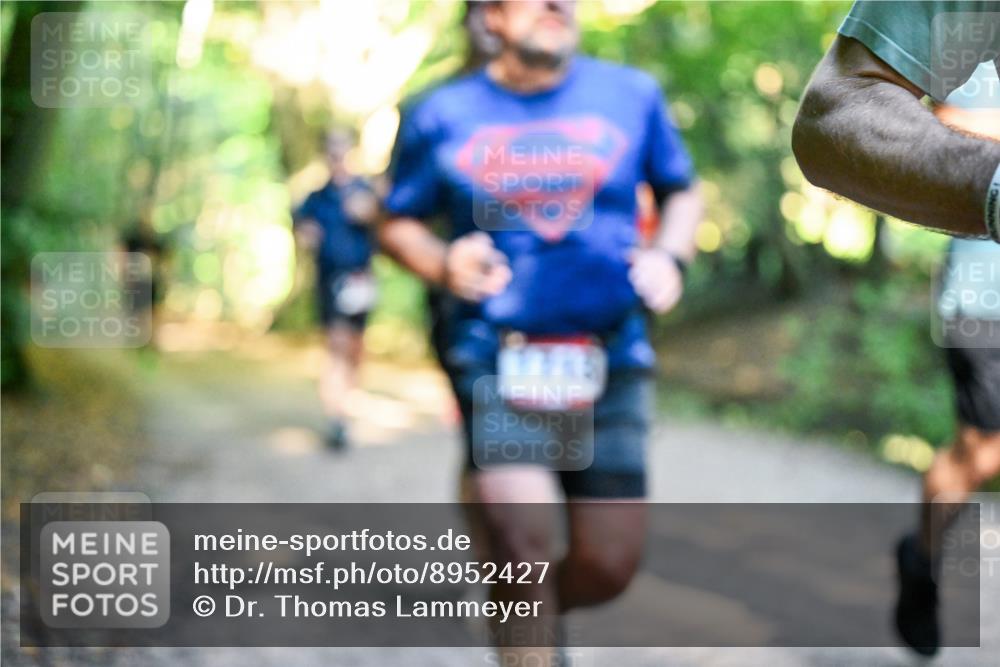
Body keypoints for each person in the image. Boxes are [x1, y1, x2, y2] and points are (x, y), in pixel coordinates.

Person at [379, 1, 702, 663]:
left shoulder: (631, 94)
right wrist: (442, 262)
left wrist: (670, 255)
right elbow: (395, 219)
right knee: (523, 542)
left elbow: (681, 190)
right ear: (489, 17)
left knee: (608, 564)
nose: (558, 3)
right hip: (499, 353)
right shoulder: (439, 111)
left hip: (611, 349)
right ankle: (525, 619)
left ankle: (520, 609)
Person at [792, 2, 1000, 656]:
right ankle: (924, 555)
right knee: (983, 452)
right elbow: (905, 115)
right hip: (985, 290)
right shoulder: (966, 48)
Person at [293, 129, 378, 450]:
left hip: (361, 280)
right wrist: (305, 233)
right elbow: (300, 227)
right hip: (330, 281)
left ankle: (347, 404)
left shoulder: (364, 190)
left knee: (355, 347)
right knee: (336, 345)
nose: (337, 156)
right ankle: (337, 417)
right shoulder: (315, 199)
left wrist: (370, 210)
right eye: (331, 150)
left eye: (342, 149)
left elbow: (387, 222)